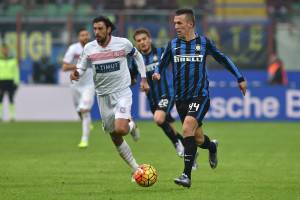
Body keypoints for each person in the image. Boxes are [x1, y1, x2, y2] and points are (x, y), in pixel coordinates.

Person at [152, 9, 247, 188]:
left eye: (179, 23)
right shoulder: (172, 45)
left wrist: (240, 78)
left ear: (190, 24)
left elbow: (223, 58)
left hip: (200, 96)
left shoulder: (204, 43)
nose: (176, 26)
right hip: (180, 99)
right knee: (197, 138)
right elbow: (161, 64)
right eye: (174, 23)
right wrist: (157, 73)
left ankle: (186, 176)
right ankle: (211, 147)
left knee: (187, 126)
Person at [70, 16, 150, 178]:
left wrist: (143, 78)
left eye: (100, 29)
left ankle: (130, 125)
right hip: (103, 96)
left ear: (108, 29)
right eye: (95, 29)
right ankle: (136, 169)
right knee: (115, 135)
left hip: (122, 92)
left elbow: (137, 56)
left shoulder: (123, 43)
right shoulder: (89, 48)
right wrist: (76, 73)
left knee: (121, 128)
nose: (97, 32)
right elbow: (81, 67)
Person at [131, 28, 185, 157]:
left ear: (149, 39)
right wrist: (138, 84)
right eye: (139, 41)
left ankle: (177, 144)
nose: (142, 42)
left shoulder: (161, 52)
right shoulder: (136, 60)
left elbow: (178, 63)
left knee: (158, 119)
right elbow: (132, 78)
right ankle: (190, 150)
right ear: (136, 44)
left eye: (144, 39)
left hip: (168, 93)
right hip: (152, 99)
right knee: (169, 127)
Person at [62, 28, 95, 148]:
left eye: (86, 35)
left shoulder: (94, 47)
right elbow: (64, 67)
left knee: (84, 110)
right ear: (78, 37)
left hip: (89, 85)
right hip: (75, 85)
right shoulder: (73, 48)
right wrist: (80, 66)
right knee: (79, 110)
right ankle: (87, 123)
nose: (85, 37)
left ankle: (84, 139)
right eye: (82, 35)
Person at [0, 44, 19, 121]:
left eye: (6, 49)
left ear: (8, 50)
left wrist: (16, 82)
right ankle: (0, 116)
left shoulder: (13, 60)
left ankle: (12, 116)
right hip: (1, 81)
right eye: (3, 49)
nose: (5, 50)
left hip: (10, 81)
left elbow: (16, 71)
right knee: (0, 99)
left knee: (11, 98)